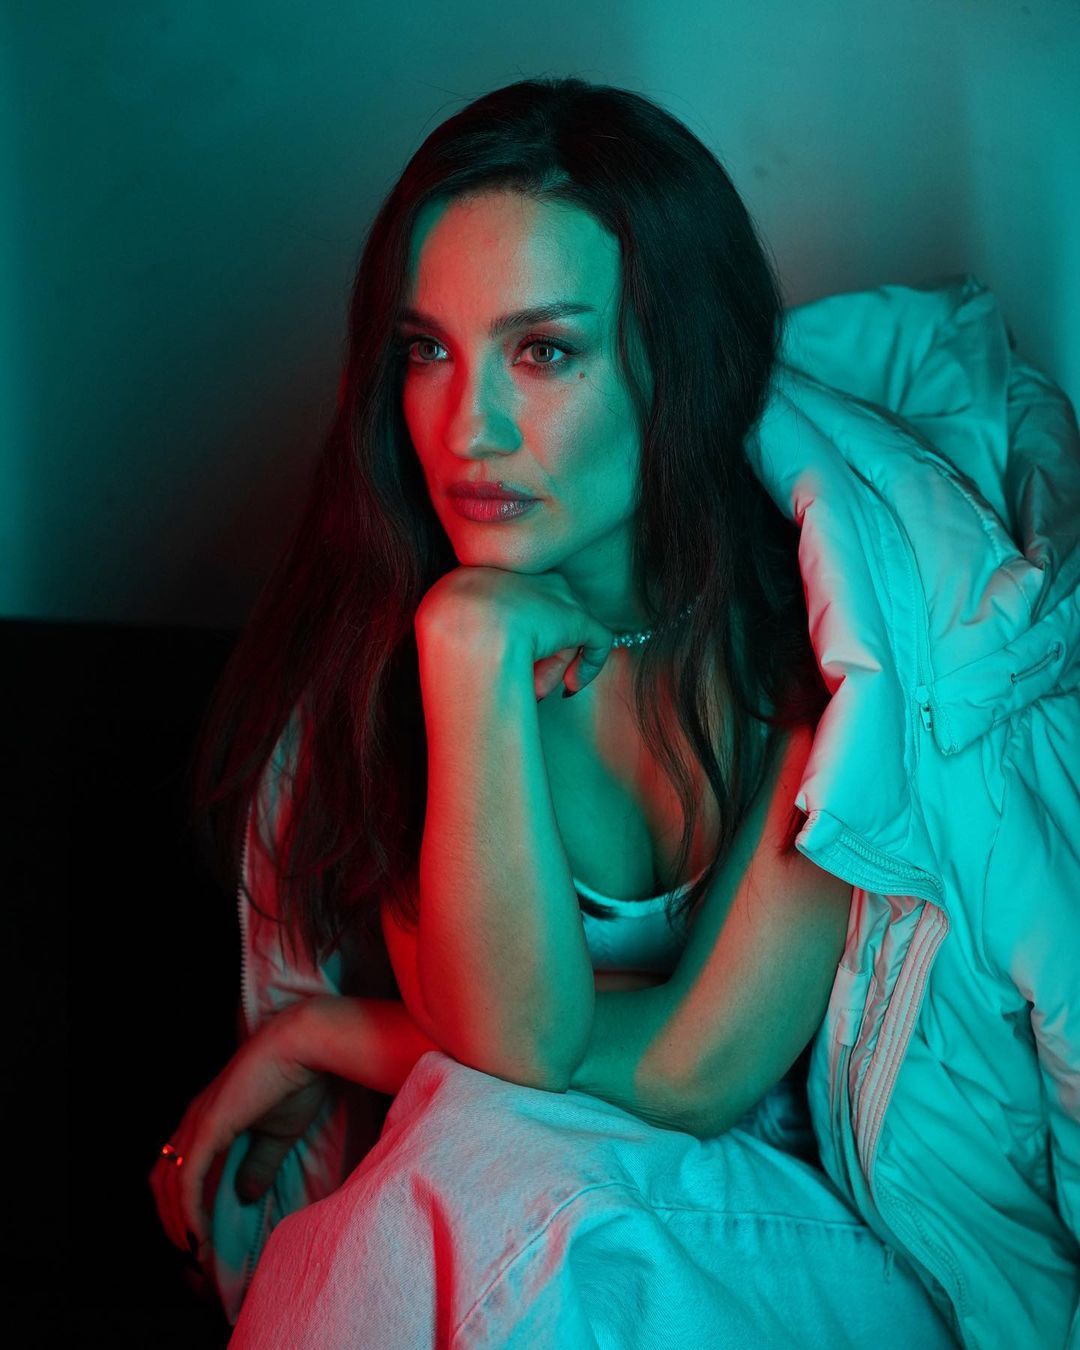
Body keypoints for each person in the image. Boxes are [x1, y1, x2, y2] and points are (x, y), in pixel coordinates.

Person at [147, 76, 1079, 1349]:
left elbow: (690, 1076)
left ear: (675, 366)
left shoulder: (815, 654)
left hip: (816, 1242)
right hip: (546, 1210)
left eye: (543, 351)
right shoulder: (401, 656)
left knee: (474, 1159)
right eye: (427, 349)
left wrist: (338, 1035)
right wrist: (467, 659)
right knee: (479, 1157)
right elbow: (512, 1043)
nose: (467, 428)